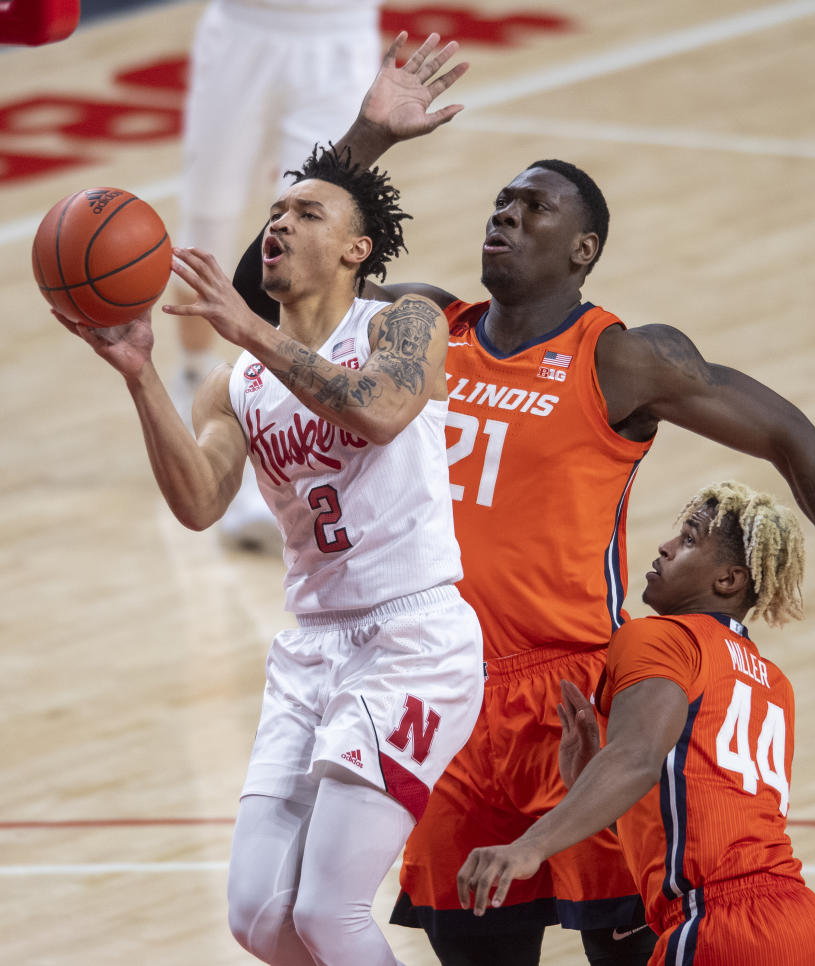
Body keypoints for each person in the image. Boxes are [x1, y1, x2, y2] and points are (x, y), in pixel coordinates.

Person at [231, 34, 815, 966]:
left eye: (533, 207)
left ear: (582, 249)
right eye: (500, 201)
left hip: (577, 704)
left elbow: (797, 437)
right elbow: (271, 286)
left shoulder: (624, 359)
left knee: (626, 952)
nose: (503, 215)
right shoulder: (420, 325)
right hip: (444, 691)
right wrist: (368, 137)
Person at [56, 144, 484, 966]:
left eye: (307, 213)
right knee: (259, 917)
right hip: (313, 649)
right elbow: (198, 504)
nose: (280, 222)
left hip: (414, 643)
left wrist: (248, 327)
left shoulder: (405, 323)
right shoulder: (235, 384)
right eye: (276, 214)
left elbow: (386, 410)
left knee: (330, 913)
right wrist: (141, 374)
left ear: (357, 250)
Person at [457, 481, 815, 966]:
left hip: (720, 927)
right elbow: (698, 801)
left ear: (728, 580)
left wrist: (529, 847)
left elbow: (637, 760)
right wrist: (588, 779)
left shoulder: (662, 636)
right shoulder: (772, 681)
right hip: (802, 922)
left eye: (689, 539)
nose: (665, 547)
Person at [172, 0, 383, 551]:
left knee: (306, 253)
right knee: (205, 231)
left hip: (336, 37)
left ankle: (268, 456)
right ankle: (197, 387)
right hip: (241, 28)